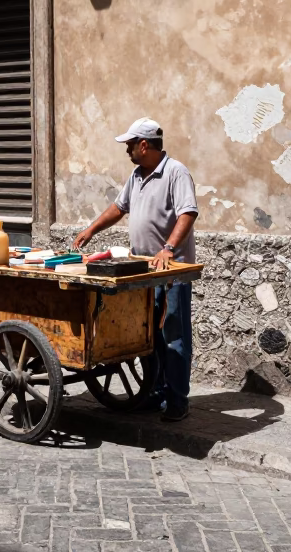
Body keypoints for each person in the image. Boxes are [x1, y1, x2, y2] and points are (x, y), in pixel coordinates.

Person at [73, 117, 198, 421]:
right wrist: (92, 230)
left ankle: (178, 401)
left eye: (129, 144)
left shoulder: (175, 172)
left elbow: (188, 212)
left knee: (173, 336)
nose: (126, 150)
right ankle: (154, 394)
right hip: (142, 270)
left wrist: (168, 248)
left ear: (144, 145)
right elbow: (119, 208)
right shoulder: (136, 174)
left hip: (170, 272)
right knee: (146, 337)